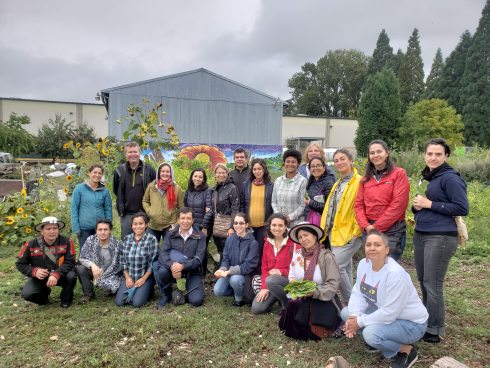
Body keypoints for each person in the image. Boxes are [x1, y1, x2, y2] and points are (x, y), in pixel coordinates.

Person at [342, 231, 428, 368]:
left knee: (370, 334)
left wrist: (360, 322)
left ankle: (406, 350)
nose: (372, 248)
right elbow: (358, 293)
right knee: (346, 313)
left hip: (411, 324)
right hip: (386, 314)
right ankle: (378, 340)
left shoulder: (395, 273)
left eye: (377, 245)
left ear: (387, 250)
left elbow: (390, 312)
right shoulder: (364, 264)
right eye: (368, 244)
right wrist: (354, 317)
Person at [412, 138, 469, 344]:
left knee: (432, 282)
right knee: (423, 280)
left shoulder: (450, 178)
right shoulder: (431, 176)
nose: (433, 158)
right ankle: (428, 322)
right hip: (422, 232)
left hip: (441, 236)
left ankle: (435, 329)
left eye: (438, 154)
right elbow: (430, 205)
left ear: (446, 156)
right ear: (424, 155)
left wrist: (429, 203)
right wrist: (418, 207)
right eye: (429, 154)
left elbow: (462, 208)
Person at [279, 222, 342, 340]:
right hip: (302, 296)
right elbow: (291, 272)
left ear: (315, 236)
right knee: (293, 304)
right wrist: (293, 282)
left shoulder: (327, 256)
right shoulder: (297, 255)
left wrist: (315, 292)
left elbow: (333, 283)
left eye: (306, 235)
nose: (303, 239)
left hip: (322, 297)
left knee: (317, 331)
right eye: (300, 237)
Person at [354, 140, 410, 260]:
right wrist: (366, 225)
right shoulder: (365, 180)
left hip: (392, 230)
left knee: (388, 266)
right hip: (369, 229)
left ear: (387, 153)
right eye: (372, 153)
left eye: (379, 151)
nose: (375, 155)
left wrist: (377, 226)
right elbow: (358, 205)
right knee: (373, 265)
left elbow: (398, 204)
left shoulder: (398, 174)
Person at [320, 149, 362, 305]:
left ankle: (352, 305)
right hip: (335, 232)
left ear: (351, 161)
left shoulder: (359, 181)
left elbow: (362, 207)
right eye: (336, 160)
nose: (339, 162)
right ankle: (355, 303)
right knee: (346, 267)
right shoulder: (338, 183)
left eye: (342, 159)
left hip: (350, 233)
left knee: (336, 267)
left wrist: (357, 230)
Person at [16, 216, 77, 308]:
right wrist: (34, 271)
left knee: (71, 276)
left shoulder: (67, 241)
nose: (52, 231)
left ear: (58, 230)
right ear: (42, 231)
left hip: (61, 274)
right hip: (41, 276)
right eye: (48, 229)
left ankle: (66, 299)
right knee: (27, 294)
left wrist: (56, 274)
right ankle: (44, 298)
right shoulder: (30, 244)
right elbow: (20, 264)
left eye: (55, 228)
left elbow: (70, 262)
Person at [154, 207, 206, 309]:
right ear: (178, 220)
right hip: (172, 270)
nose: (185, 221)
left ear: (193, 220)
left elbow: (199, 259)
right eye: (182, 218)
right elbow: (163, 253)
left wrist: (182, 266)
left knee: (197, 301)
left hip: (192, 271)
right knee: (161, 271)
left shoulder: (200, 236)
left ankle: (182, 292)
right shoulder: (170, 234)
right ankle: (166, 294)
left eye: (188, 218)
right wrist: (173, 265)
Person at [251, 213, 294, 315]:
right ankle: (277, 297)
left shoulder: (293, 243)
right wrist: (264, 288)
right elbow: (264, 267)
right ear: (269, 226)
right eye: (274, 225)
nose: (277, 228)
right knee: (257, 309)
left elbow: (297, 269)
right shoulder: (267, 242)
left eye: (280, 225)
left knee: (271, 280)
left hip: (289, 280)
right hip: (272, 283)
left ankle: (287, 304)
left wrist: (281, 271)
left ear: (285, 226)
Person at [213, 213, 259, 307]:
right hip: (230, 273)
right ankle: (236, 290)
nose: (238, 225)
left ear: (247, 225)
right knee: (218, 291)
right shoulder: (229, 239)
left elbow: (248, 265)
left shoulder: (253, 243)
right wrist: (222, 269)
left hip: (245, 274)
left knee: (235, 280)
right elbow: (225, 258)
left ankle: (239, 298)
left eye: (241, 223)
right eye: (236, 223)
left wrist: (229, 271)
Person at [113, 142, 156, 238]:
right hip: (127, 214)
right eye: (130, 152)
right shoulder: (119, 171)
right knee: (126, 242)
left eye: (135, 151)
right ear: (126, 154)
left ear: (139, 153)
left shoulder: (149, 170)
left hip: (145, 213)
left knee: (145, 243)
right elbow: (116, 190)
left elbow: (155, 189)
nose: (133, 154)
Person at [115, 212, 158, 308]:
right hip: (129, 277)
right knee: (119, 303)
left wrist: (143, 279)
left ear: (146, 224)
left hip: (144, 278)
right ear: (132, 225)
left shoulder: (151, 239)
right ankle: (138, 291)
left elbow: (153, 263)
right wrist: (127, 278)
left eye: (141, 223)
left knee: (137, 303)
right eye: (135, 224)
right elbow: (122, 261)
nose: (138, 226)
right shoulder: (126, 239)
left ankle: (148, 290)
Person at [76, 219, 122, 303]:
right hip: (94, 270)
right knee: (81, 268)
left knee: (116, 289)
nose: (103, 232)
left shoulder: (117, 244)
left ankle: (109, 288)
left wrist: (104, 271)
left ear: (110, 230)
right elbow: (82, 257)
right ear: (96, 231)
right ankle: (88, 294)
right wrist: (92, 266)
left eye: (105, 229)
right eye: (100, 229)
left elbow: (119, 264)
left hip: (111, 272)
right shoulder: (90, 240)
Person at [71, 164, 112, 249]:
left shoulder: (105, 191)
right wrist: (76, 228)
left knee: (101, 252)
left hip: (101, 229)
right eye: (95, 172)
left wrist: (108, 225)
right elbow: (74, 209)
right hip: (84, 229)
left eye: (100, 173)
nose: (97, 175)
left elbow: (108, 209)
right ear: (89, 173)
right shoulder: (79, 189)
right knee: (85, 253)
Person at [240, 158, 274, 263]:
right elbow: (242, 203)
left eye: (259, 169)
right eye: (254, 169)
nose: (257, 171)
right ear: (252, 171)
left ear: (264, 170)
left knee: (260, 249)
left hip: (263, 225)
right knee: (248, 250)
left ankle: (259, 273)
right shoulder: (246, 185)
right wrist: (244, 221)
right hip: (249, 225)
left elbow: (273, 205)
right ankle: (249, 272)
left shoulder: (270, 186)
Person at [142, 163, 184, 244]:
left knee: (170, 249)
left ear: (171, 173)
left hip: (170, 224)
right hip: (153, 224)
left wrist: (177, 223)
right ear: (159, 173)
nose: (165, 174)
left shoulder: (176, 188)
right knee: (150, 249)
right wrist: (149, 211)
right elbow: (145, 201)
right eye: (162, 171)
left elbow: (181, 207)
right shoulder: (152, 186)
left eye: (167, 172)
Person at [184, 168, 213, 273]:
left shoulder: (207, 191)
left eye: (200, 177)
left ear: (203, 179)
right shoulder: (188, 191)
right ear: (192, 177)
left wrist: (204, 227)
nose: (197, 179)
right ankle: (192, 272)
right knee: (191, 249)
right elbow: (185, 208)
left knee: (202, 250)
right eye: (195, 176)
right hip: (190, 226)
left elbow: (210, 211)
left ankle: (202, 273)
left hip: (202, 226)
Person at [272, 149, 307, 227]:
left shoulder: (303, 181)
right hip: (279, 224)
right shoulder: (278, 180)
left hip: (295, 224)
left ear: (298, 164)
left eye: (293, 162)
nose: (290, 164)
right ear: (284, 163)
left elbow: (303, 204)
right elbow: (273, 202)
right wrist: (279, 217)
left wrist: (289, 218)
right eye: (287, 161)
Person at [212, 163, 240, 259]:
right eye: (218, 172)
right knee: (220, 250)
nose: (221, 175)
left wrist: (232, 227)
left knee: (227, 251)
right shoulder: (215, 188)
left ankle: (227, 271)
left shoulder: (232, 188)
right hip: (217, 224)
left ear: (227, 174)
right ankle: (221, 269)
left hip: (227, 224)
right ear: (215, 174)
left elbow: (235, 208)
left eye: (223, 172)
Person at [304, 157, 334, 225]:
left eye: (318, 165)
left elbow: (329, 206)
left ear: (324, 168)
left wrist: (310, 203)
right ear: (309, 169)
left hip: (323, 222)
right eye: (313, 166)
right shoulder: (310, 182)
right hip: (309, 220)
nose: (315, 168)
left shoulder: (328, 183)